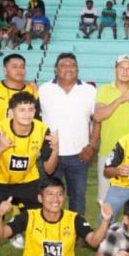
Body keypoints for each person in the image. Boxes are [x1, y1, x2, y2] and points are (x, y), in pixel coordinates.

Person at [0, 91, 58, 256]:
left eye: (31, 109)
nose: (27, 114)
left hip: (27, 181)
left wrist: (56, 149)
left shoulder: (42, 130)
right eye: (22, 110)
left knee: (42, 218)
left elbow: (49, 168)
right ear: (11, 112)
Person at [39, 53, 98, 216]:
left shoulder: (89, 90)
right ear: (56, 69)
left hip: (79, 155)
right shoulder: (43, 90)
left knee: (77, 197)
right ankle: (48, 232)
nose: (68, 68)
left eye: (72, 65)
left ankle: (76, 235)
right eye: (63, 65)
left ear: (77, 69)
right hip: (51, 155)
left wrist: (92, 146)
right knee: (49, 197)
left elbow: (97, 120)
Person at [93, 54, 129, 201]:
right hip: (108, 151)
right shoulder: (104, 90)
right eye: (121, 67)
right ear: (115, 70)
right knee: (105, 201)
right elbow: (98, 116)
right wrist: (120, 99)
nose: (125, 71)